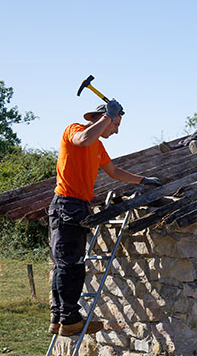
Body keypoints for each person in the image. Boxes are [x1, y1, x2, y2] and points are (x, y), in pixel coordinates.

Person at [49, 100, 161, 337]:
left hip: (77, 207)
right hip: (66, 205)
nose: (116, 130)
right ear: (104, 118)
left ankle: (60, 318)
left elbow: (114, 171)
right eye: (115, 124)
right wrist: (105, 117)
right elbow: (83, 140)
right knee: (69, 267)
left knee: (69, 266)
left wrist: (142, 180)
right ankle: (67, 319)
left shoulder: (98, 146)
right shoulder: (75, 130)